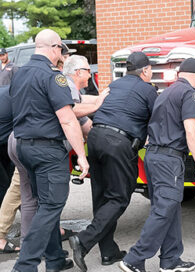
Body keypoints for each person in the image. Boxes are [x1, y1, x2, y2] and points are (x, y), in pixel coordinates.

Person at [9, 29, 89, 272]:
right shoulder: (53, 77)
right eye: (60, 50)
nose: (61, 55)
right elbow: (67, 119)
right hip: (47, 150)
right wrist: (82, 156)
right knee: (51, 206)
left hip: (24, 148)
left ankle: (54, 259)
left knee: (45, 203)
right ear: (54, 48)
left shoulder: (19, 73)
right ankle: (25, 265)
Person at [69, 52, 156, 272]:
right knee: (118, 198)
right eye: (150, 70)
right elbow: (158, 119)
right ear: (145, 70)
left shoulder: (114, 86)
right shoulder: (148, 90)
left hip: (95, 137)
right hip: (118, 143)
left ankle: (108, 251)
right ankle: (84, 240)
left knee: (102, 197)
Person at [120, 58, 195, 272]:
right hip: (169, 159)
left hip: (154, 156)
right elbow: (191, 129)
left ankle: (170, 259)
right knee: (164, 208)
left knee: (170, 208)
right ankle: (134, 258)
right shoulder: (190, 94)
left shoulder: (165, 92)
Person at [0, 86, 18, 253]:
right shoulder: (18, 98)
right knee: (7, 190)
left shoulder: (8, 92)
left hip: (4, 145)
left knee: (12, 188)